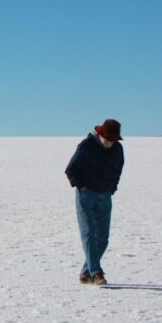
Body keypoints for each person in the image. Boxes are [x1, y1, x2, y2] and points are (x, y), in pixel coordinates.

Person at [65, 119, 124, 286]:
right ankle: (96, 273)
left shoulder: (118, 149)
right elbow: (70, 169)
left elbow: (119, 169)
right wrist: (81, 186)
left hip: (105, 196)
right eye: (108, 139)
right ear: (100, 134)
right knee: (89, 234)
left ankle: (86, 273)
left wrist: (112, 187)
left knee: (103, 238)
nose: (111, 143)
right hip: (86, 195)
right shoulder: (86, 146)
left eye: (114, 140)